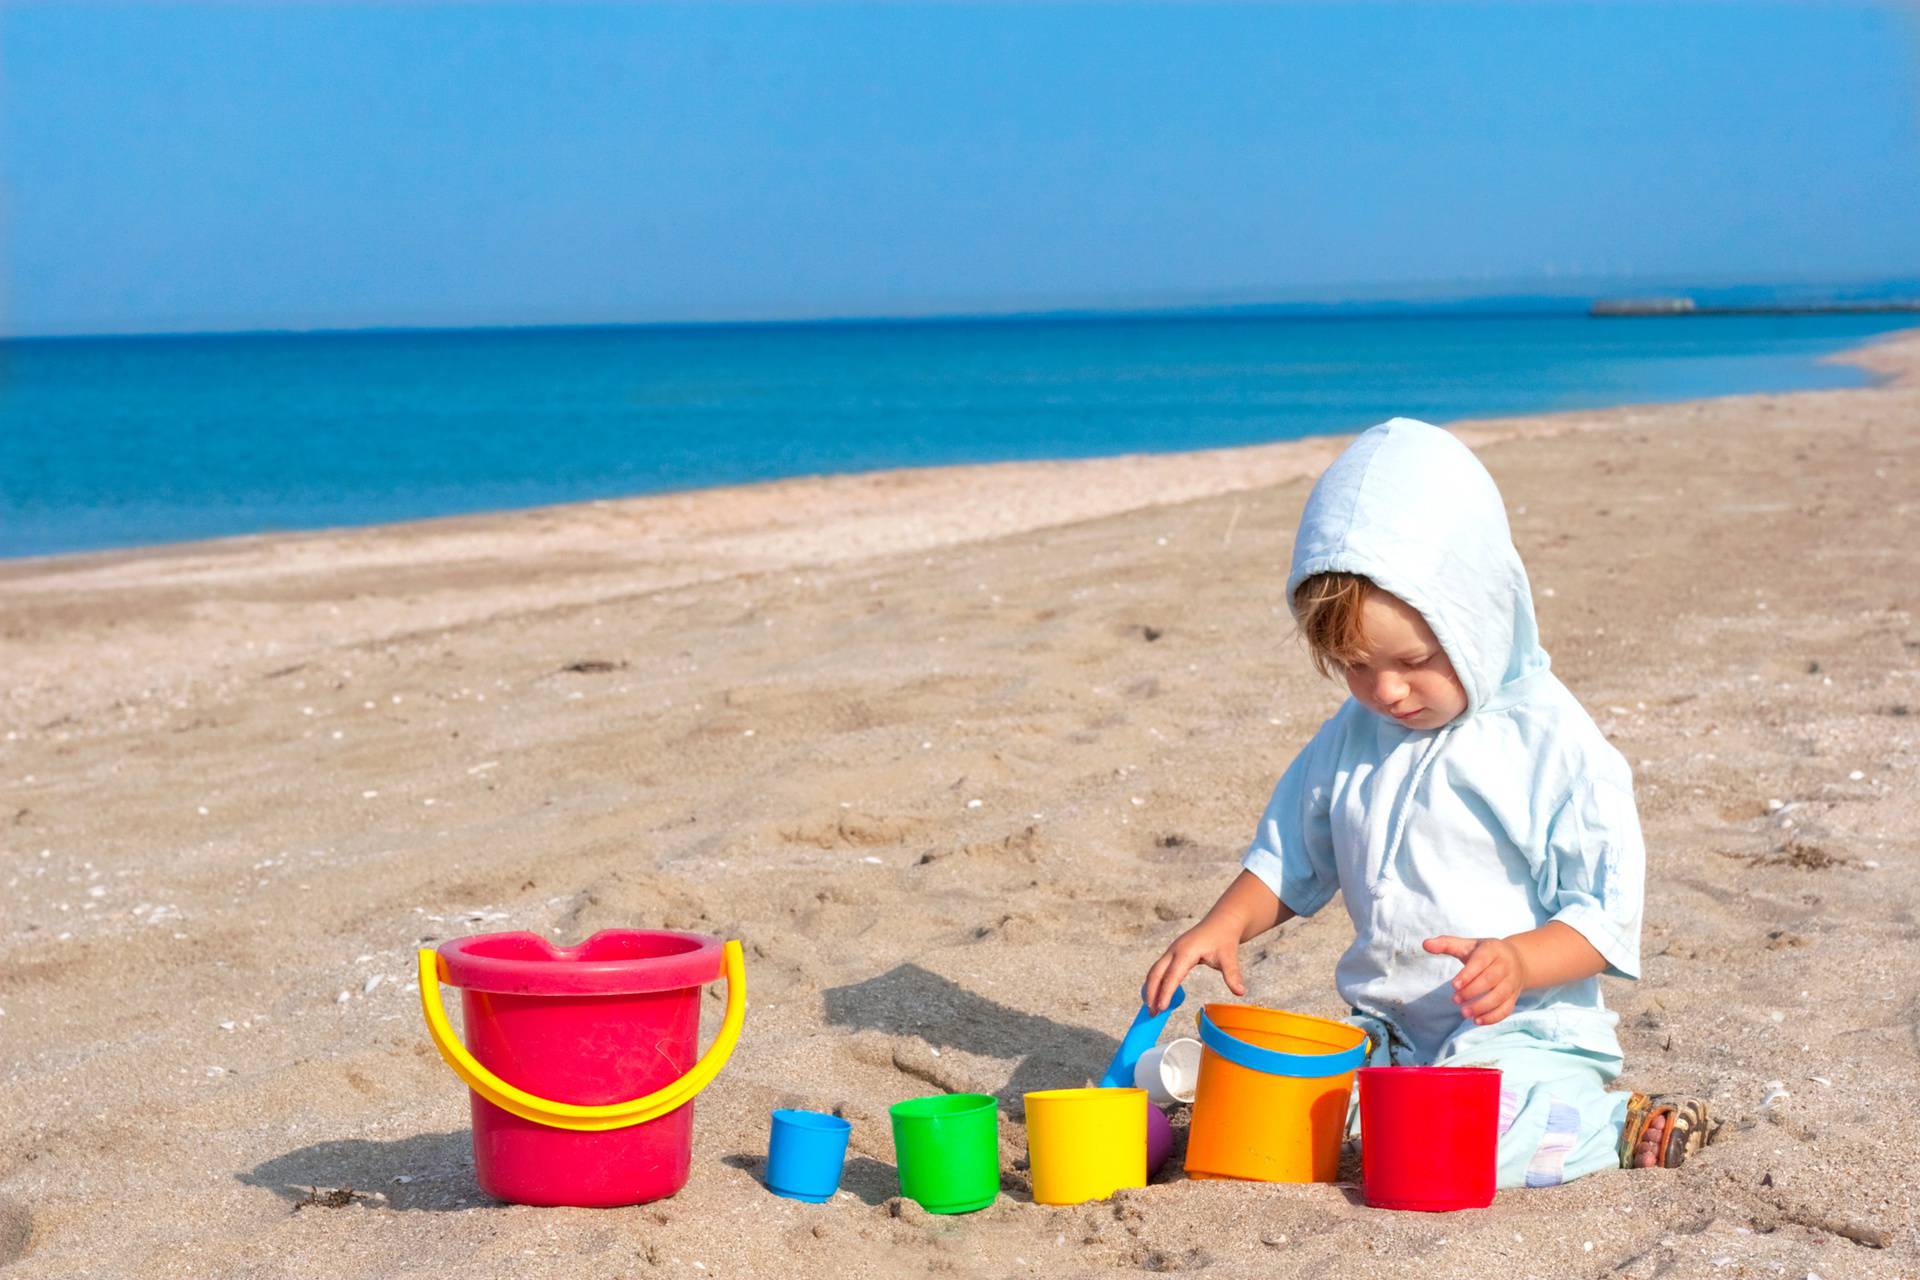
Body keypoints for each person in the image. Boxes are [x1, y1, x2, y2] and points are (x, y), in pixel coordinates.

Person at [1143, 417, 1713, 1186]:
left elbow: (1602, 918)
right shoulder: (1352, 736)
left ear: (1477, 619)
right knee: (1278, 1105)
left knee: (1458, 1143)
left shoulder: (1550, 743)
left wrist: (1516, 959)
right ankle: (1395, 1106)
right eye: (1354, 666)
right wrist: (1224, 923)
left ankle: (1609, 1125)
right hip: (1387, 1035)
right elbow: (1290, 857)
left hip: (1519, 1032)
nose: (1386, 691)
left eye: (1416, 659)